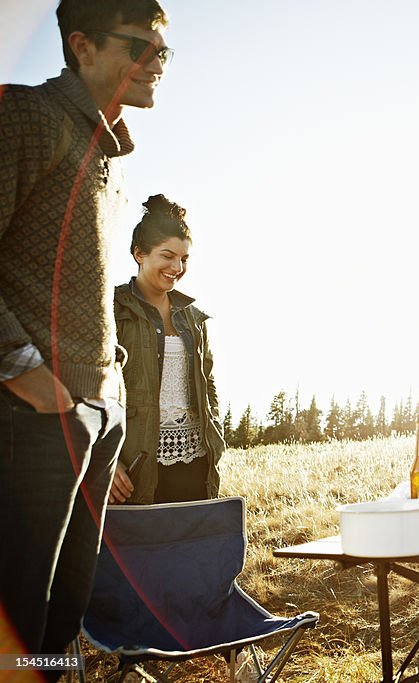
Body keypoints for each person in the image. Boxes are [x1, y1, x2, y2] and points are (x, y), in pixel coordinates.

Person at [0, 0, 171, 666]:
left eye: (162, 52)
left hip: (97, 421)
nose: (155, 64)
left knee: (63, 621)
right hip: (32, 418)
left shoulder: (114, 156)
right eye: (139, 47)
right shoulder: (25, 116)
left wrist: (113, 389)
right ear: (83, 47)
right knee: (20, 619)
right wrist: (27, 374)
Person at [108, 195, 225, 505]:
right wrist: (102, 462)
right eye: (168, 256)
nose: (177, 267)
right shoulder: (111, 309)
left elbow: (208, 383)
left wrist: (217, 433)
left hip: (195, 464)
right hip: (134, 467)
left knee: (192, 551)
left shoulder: (193, 318)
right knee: (138, 552)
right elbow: (89, 391)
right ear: (139, 253)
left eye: (184, 259)